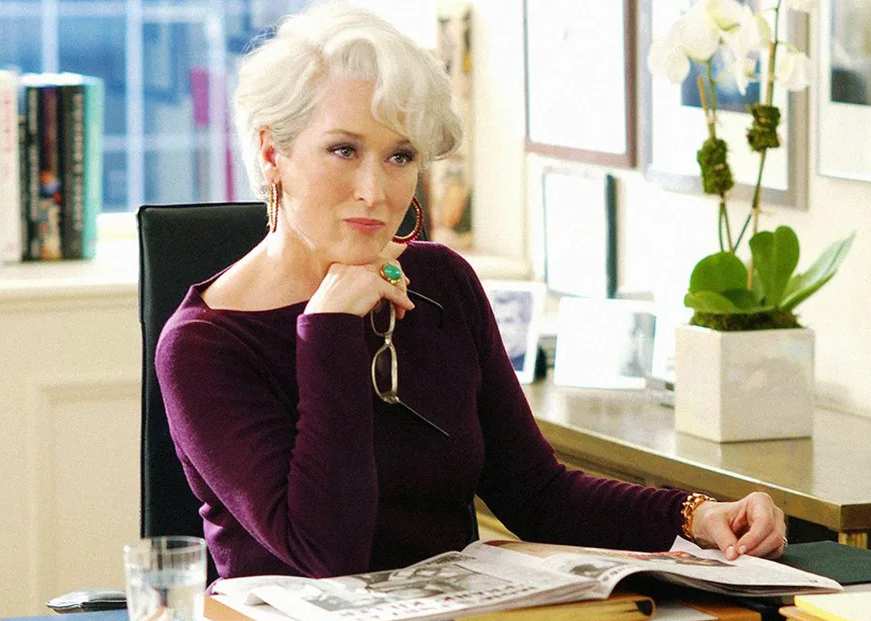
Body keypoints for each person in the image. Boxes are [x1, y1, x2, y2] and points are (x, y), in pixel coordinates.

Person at [155, 2, 787, 583]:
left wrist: (695, 514)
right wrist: (327, 330)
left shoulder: (442, 284)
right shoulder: (203, 346)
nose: (374, 190)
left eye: (400, 156)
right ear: (272, 152)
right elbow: (328, 552)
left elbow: (537, 493)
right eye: (343, 150)